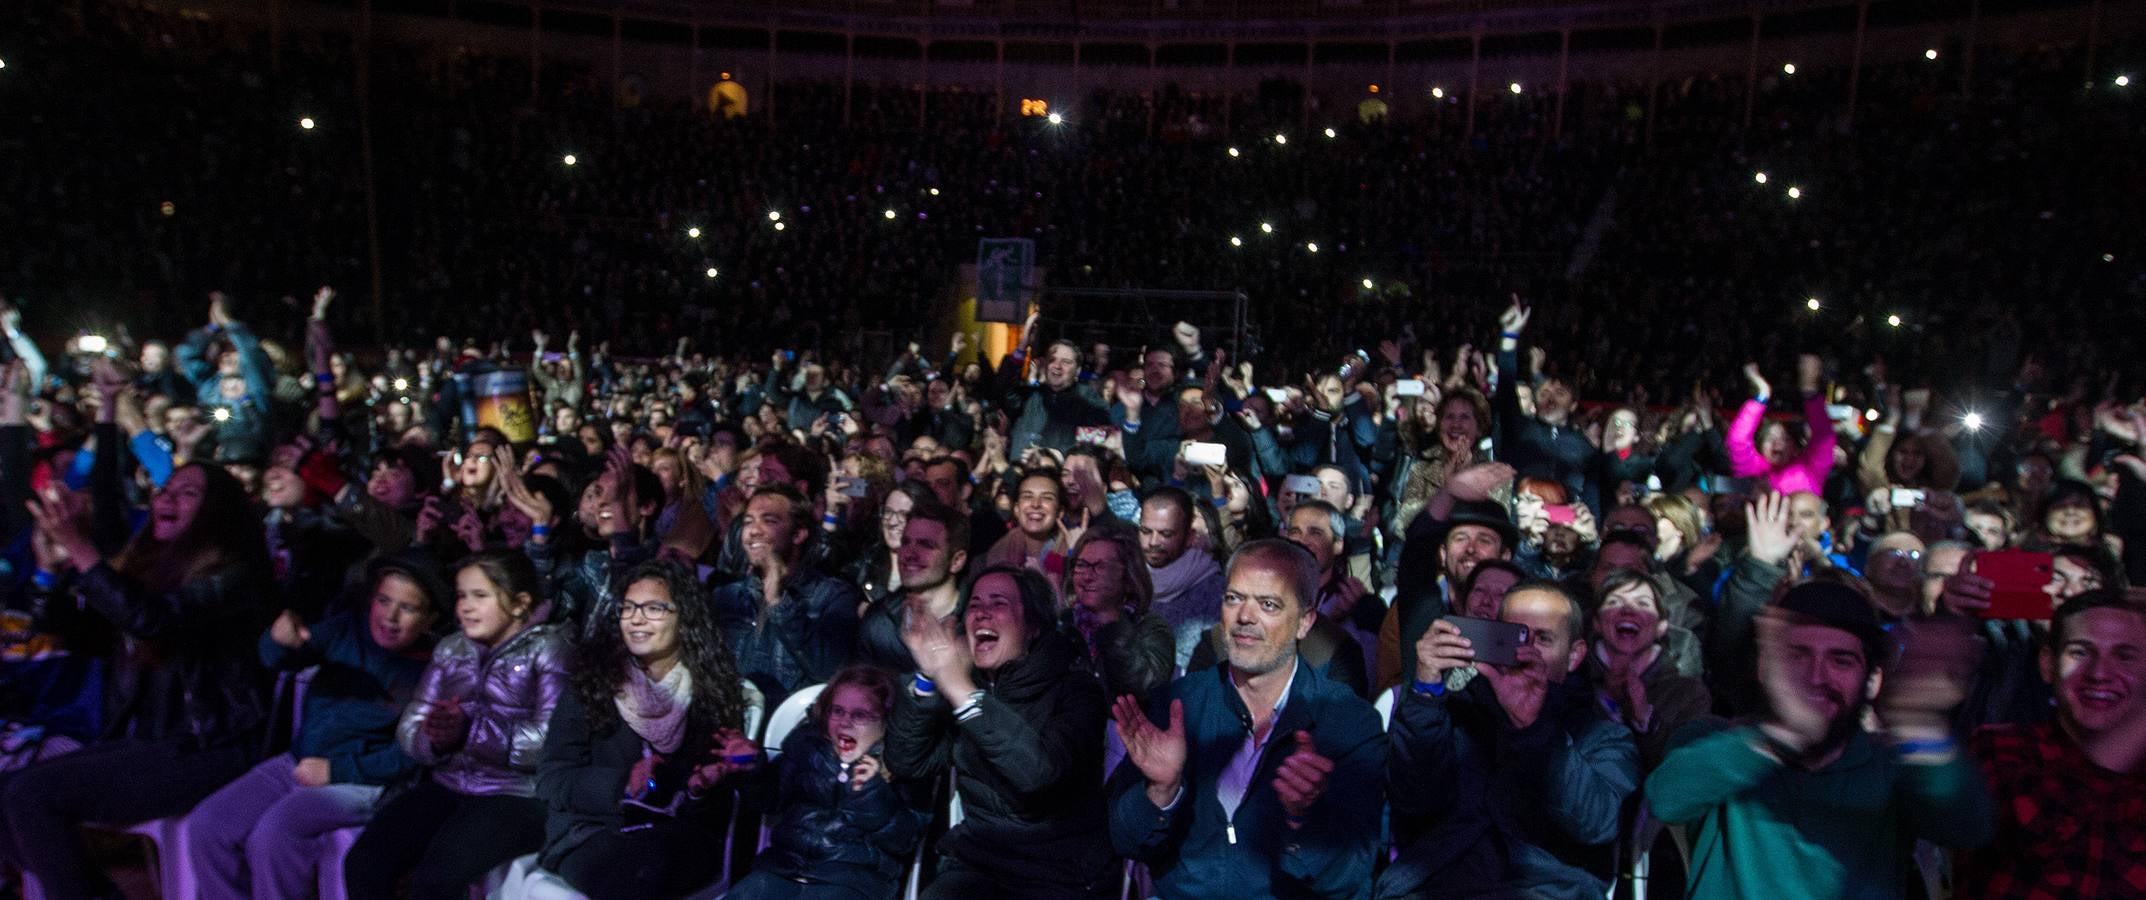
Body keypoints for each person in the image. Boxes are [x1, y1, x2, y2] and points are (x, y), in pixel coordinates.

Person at [2, 463, 272, 900]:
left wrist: (80, 546)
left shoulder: (235, 575)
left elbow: (151, 621)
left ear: (216, 511)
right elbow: (84, 634)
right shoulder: (148, 568)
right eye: (165, 489)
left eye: (187, 493)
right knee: (9, 793)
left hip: (211, 745)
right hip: (153, 741)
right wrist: (51, 573)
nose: (166, 498)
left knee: (34, 796)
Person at [1647, 582, 1996, 899]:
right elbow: (1666, 798)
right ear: (1766, 667)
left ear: (1872, 680)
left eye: (1840, 660)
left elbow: (1968, 827)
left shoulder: (1889, 767)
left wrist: (1920, 721)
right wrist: (1785, 735)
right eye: (1797, 656)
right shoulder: (1714, 741)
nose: (1816, 676)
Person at [1107, 538, 1382, 899]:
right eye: (1234, 598)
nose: (1244, 617)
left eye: (1268, 604)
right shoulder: (1180, 704)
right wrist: (1160, 791)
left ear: (1305, 621)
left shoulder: (1349, 722)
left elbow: (1352, 876)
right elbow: (1123, 839)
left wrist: (1303, 821)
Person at [187, 555, 445, 900]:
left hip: (364, 782)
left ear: (430, 619)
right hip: (298, 762)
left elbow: (411, 755)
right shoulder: (346, 630)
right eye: (384, 601)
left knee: (275, 833)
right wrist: (280, 641)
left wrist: (335, 770)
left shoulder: (433, 671)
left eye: (408, 609)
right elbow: (282, 658)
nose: (390, 617)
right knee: (209, 825)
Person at [1383, 579, 1638, 898]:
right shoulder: (1456, 713)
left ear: (1574, 656)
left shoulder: (1604, 737)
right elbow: (1413, 798)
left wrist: (1534, 727)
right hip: (1437, 883)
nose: (1526, 651)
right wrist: (1425, 692)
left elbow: (1596, 823)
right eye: (1515, 636)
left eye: (1543, 639)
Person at [344, 551, 571, 900]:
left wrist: (472, 731)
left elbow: (552, 742)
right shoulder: (452, 649)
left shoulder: (550, 650)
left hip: (517, 795)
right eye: (462, 595)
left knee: (433, 882)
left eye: (480, 596)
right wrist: (434, 737)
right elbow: (411, 725)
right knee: (363, 863)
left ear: (519, 603)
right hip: (450, 784)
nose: (465, 606)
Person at [887, 565, 1113, 899]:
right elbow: (907, 761)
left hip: (1056, 873)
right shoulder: (969, 686)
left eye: (998, 604)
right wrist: (926, 677)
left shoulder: (1076, 690)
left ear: (1032, 626)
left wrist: (961, 692)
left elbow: (1039, 773)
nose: (981, 614)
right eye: (975, 605)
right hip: (977, 864)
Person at [535, 560, 747, 899]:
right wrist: (622, 786)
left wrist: (699, 790)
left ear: (685, 617)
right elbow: (551, 779)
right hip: (593, 830)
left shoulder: (714, 690)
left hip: (678, 833)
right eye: (628, 607)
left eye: (653, 608)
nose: (635, 618)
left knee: (657, 860)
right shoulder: (593, 681)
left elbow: (717, 802)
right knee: (631, 873)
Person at [1956, 591, 2146, 897]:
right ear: (2047, 664)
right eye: (2080, 652)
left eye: (2125, 656)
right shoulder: (1999, 748)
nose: (2099, 674)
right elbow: (2037, 836)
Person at [726, 664, 932, 900]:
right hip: (783, 869)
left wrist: (871, 793)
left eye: (860, 715)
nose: (845, 722)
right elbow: (769, 799)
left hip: (850, 882)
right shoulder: (809, 746)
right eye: (838, 711)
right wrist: (752, 767)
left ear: (886, 722)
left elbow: (905, 839)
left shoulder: (900, 764)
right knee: (749, 890)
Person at [712, 485, 862, 709]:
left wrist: (779, 602)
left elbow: (828, 671)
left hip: (792, 734)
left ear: (799, 534)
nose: (753, 530)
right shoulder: (727, 596)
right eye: (748, 521)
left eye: (769, 520)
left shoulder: (833, 596)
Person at [1584, 569, 1711, 771]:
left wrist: (1645, 720)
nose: (1627, 610)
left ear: (1661, 627)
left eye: (1643, 603)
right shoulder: (1571, 680)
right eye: (1614, 602)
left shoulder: (1688, 695)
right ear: (1597, 623)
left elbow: (1684, 771)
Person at [1064, 522, 1174, 705]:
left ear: (1129, 576)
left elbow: (1144, 688)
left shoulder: (1151, 629)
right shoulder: (1065, 625)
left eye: (1101, 567)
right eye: (1082, 565)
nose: (1087, 576)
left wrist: (1110, 622)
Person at [857, 500, 970, 673]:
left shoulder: (976, 622)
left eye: (926, 545)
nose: (909, 554)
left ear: (956, 561)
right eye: (906, 542)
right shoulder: (879, 622)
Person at [1140, 486, 1228, 670]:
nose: (1153, 542)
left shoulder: (1214, 593)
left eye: (1166, 534)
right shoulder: (1129, 578)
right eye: (1146, 531)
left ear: (1189, 536)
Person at [1726, 355, 1837, 497]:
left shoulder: (1809, 469)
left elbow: (1824, 437)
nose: (1776, 442)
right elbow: (1737, 440)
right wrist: (1762, 394)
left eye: (1784, 438)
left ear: (1793, 445)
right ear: (1760, 445)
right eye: (1769, 437)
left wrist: (1810, 393)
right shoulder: (1751, 468)